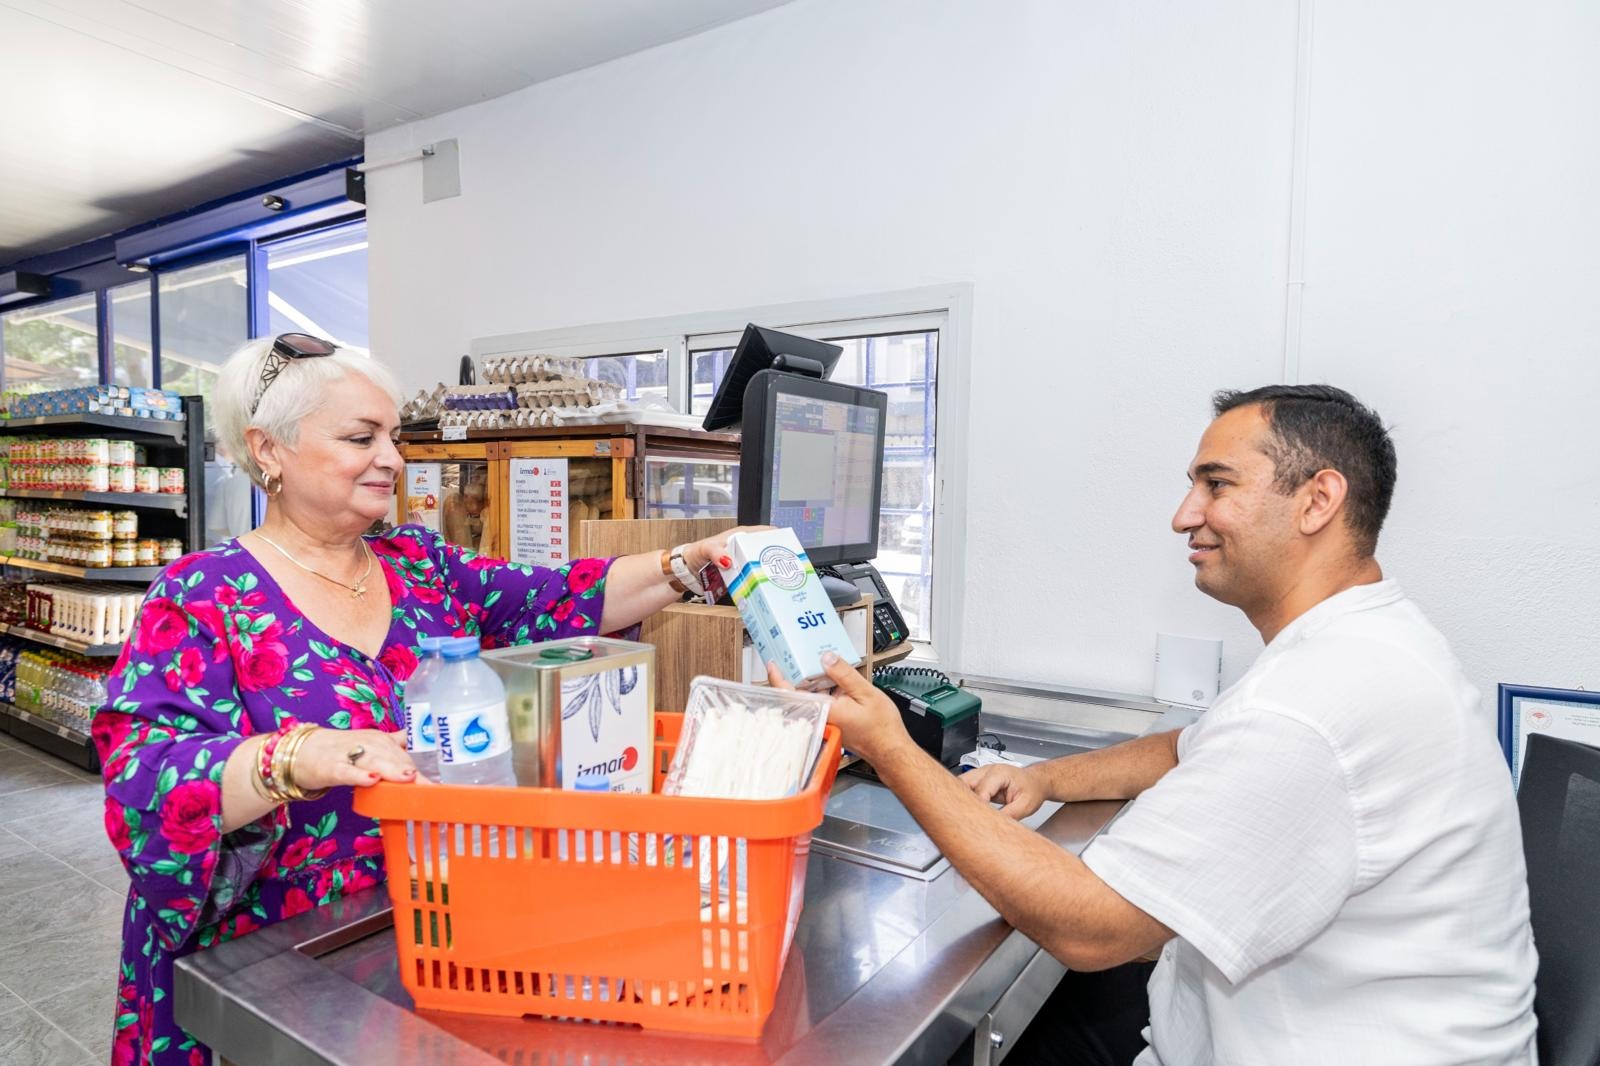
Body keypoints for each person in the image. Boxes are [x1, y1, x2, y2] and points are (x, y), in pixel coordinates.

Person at [786, 385, 1538, 1064]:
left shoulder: (1317, 704)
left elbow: (1090, 930)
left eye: (1217, 485)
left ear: (1318, 501)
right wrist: (1043, 778)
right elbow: (1188, 746)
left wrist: (888, 745)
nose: (1185, 516)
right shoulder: (1358, 643)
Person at [95, 333, 748, 1066]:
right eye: (360, 437)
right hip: (273, 952)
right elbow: (144, 777)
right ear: (268, 450)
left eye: (394, 437)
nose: (393, 459)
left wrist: (690, 563)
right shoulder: (201, 595)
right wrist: (296, 755)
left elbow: (562, 598)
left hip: (438, 926)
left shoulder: (420, 564)